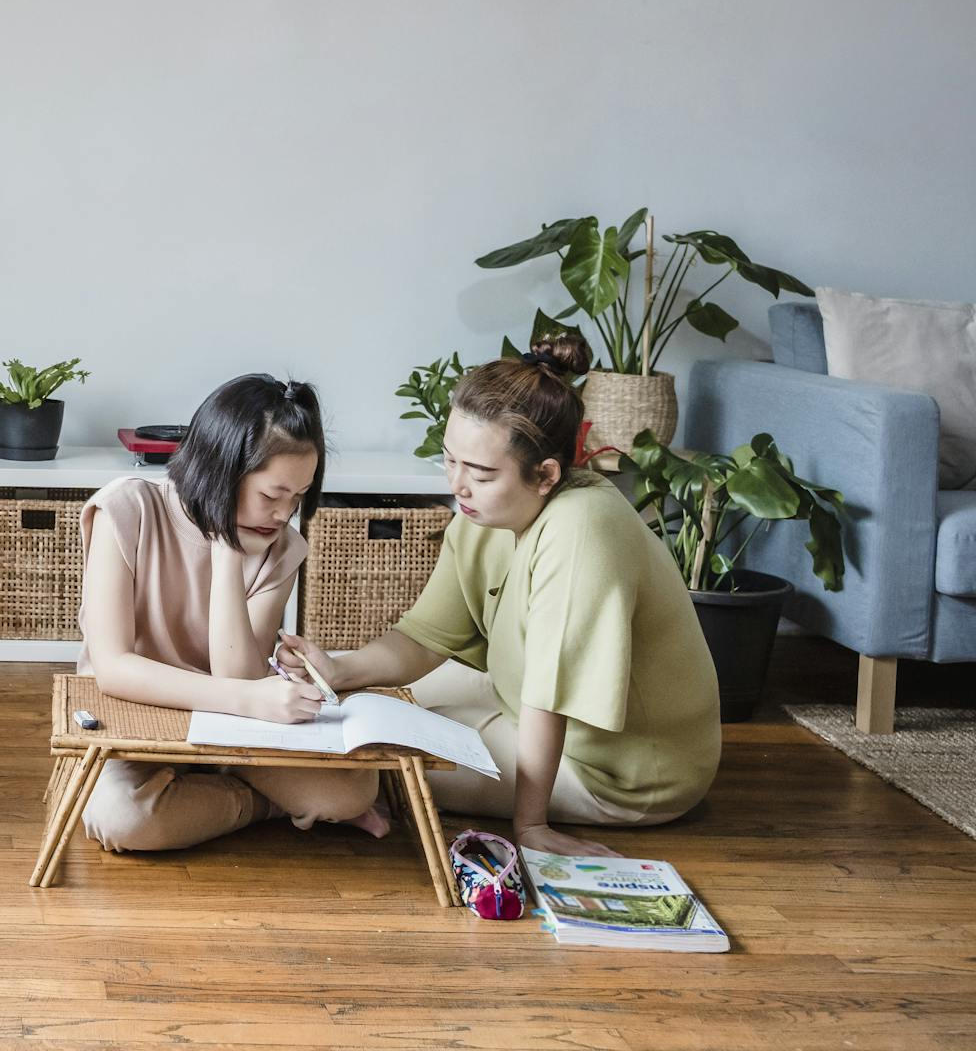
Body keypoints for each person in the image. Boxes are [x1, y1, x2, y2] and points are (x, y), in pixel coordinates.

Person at [277, 333, 721, 857]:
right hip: (518, 698)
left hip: (615, 769)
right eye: (450, 461)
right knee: (350, 702)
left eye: (482, 474)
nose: (458, 485)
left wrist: (531, 827)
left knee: (372, 754)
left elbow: (549, 695)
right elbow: (424, 638)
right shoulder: (484, 512)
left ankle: (277, 797)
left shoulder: (580, 528)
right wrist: (338, 670)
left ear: (546, 475)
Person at [76, 374, 387, 853]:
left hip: (230, 722)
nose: (283, 514)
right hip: (138, 716)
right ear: (220, 471)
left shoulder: (282, 549)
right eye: (271, 495)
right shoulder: (125, 509)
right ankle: (264, 807)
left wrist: (227, 555)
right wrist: (249, 701)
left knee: (351, 791)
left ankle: (205, 795)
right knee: (124, 818)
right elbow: (114, 668)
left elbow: (238, 674)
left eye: (298, 497)